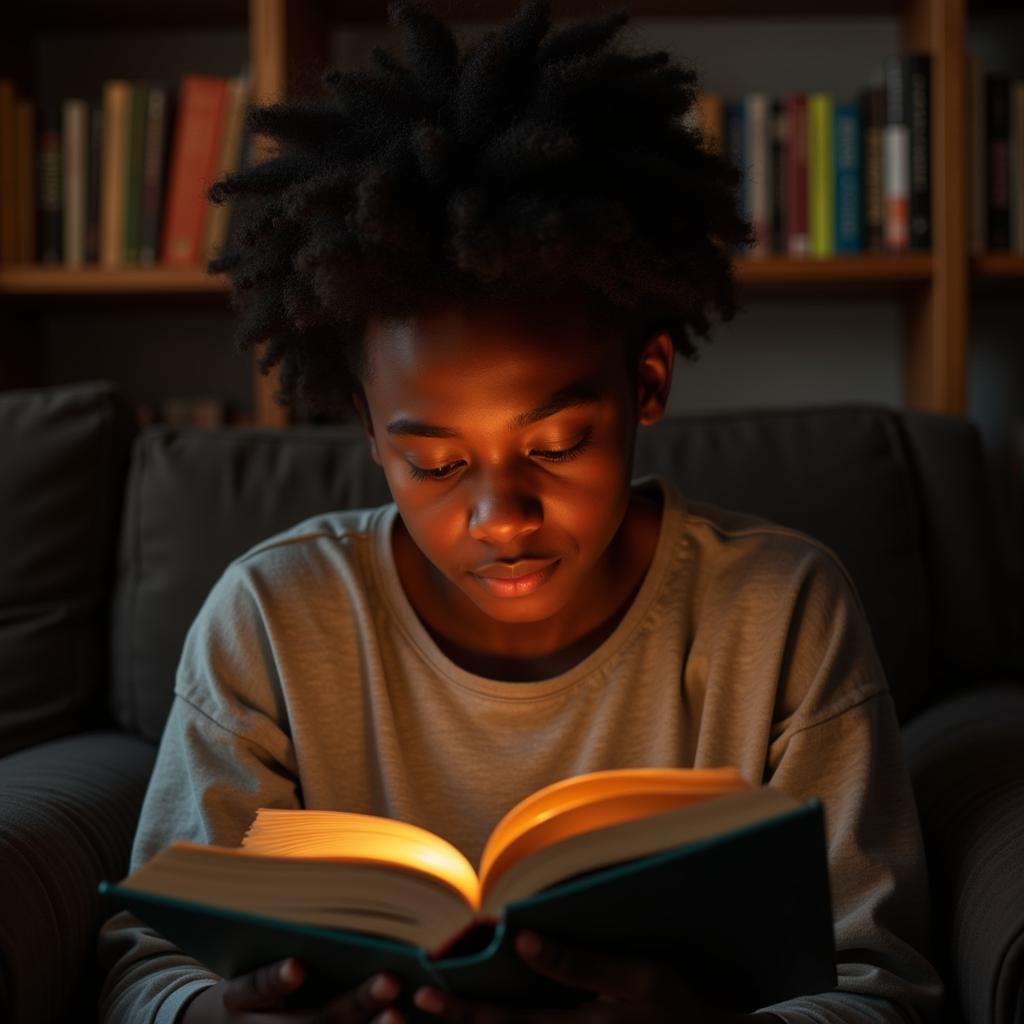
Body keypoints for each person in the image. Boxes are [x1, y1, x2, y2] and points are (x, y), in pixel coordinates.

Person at [97, 2, 944, 1022]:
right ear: (366, 429)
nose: (501, 515)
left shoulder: (780, 611)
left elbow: (884, 985)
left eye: (554, 445)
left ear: (646, 382)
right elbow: (146, 960)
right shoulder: (272, 619)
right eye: (435, 462)